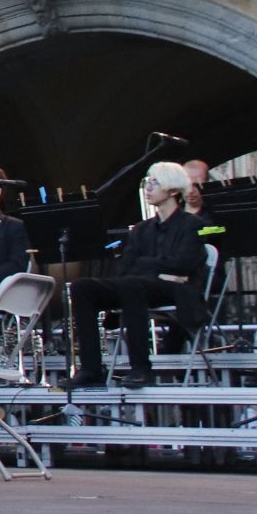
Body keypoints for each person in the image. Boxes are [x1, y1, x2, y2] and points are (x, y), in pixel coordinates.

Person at [65, 161, 205, 389]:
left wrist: (147, 266)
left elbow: (183, 264)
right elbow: (126, 267)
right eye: (148, 183)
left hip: (175, 291)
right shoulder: (141, 229)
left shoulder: (192, 225)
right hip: (141, 286)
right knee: (82, 287)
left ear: (172, 190)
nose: (148, 188)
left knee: (132, 284)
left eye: (155, 183)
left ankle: (141, 368)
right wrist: (158, 269)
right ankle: (91, 369)